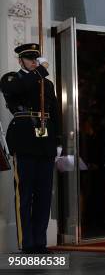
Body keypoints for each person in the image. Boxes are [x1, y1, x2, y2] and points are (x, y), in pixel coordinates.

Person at [0, 43, 60, 254]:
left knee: (44, 195)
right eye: (28, 58)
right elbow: (17, 90)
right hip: (24, 140)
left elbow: (55, 112)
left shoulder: (47, 83)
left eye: (36, 58)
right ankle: (27, 243)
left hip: (45, 143)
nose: (33, 61)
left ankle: (40, 243)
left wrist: (58, 141)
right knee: (25, 194)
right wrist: (40, 71)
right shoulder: (11, 78)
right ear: (20, 60)